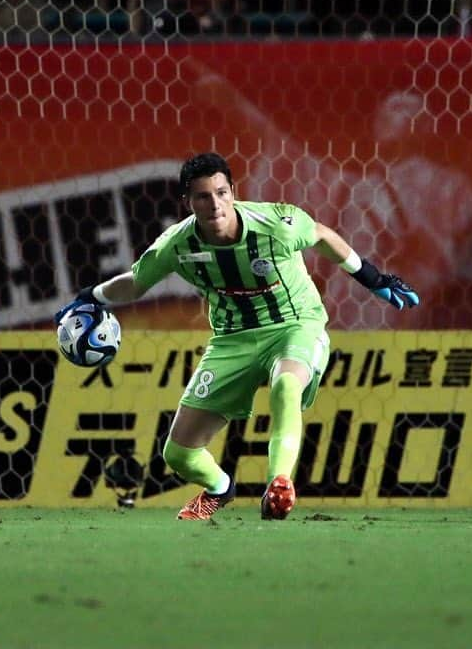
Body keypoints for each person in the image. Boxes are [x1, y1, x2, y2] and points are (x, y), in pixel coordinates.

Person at [55, 152, 419, 520]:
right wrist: (89, 297)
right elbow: (135, 284)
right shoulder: (176, 246)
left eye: (221, 192)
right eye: (202, 196)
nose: (214, 204)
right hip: (232, 340)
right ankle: (219, 488)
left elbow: (322, 236)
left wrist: (374, 279)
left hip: (295, 324)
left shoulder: (276, 223)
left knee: (286, 386)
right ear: (188, 202)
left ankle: (279, 485)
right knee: (178, 454)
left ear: (233, 192)